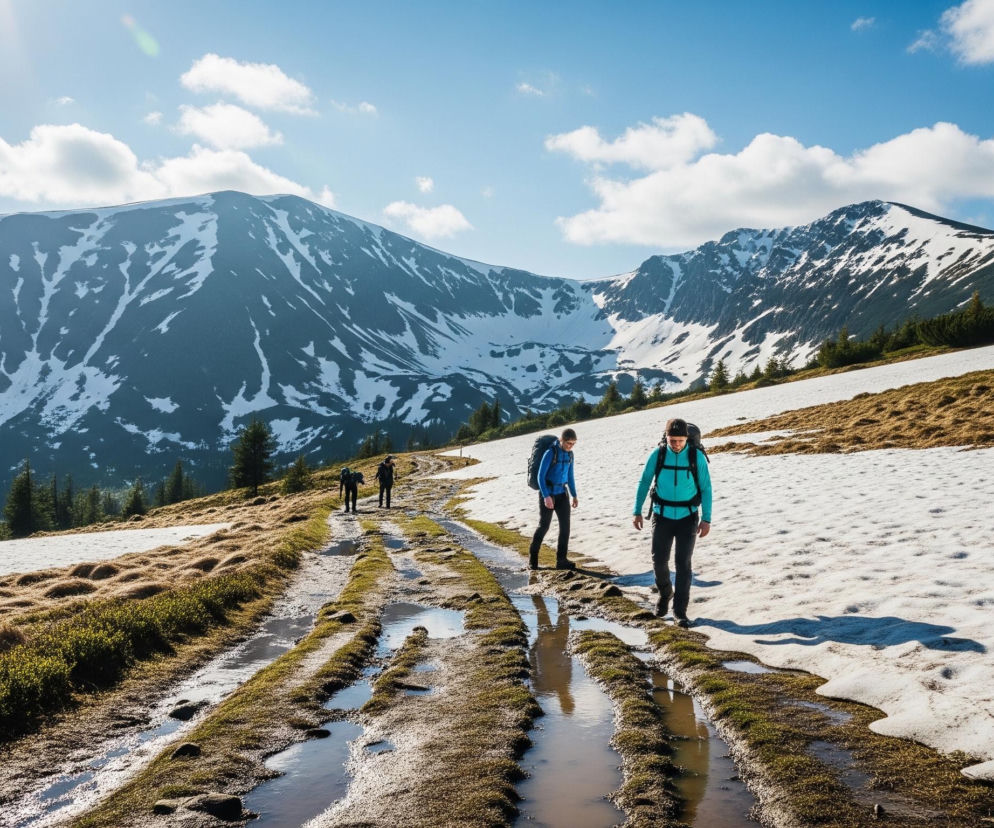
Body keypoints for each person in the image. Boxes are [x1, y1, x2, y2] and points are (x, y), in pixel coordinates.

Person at [632, 418, 712, 627]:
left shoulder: (697, 457)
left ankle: (680, 612)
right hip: (662, 515)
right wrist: (636, 511)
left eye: (680, 440)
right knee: (659, 561)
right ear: (666, 437)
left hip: (688, 517)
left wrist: (706, 519)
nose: (675, 444)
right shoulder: (657, 455)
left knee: (683, 565)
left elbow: (706, 488)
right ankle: (665, 593)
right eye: (672, 440)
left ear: (686, 438)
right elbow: (644, 482)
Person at [528, 428, 579, 570]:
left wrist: (574, 495)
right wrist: (546, 496)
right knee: (544, 526)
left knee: (565, 527)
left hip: (562, 493)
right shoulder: (550, 452)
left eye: (573, 444)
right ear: (562, 440)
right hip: (548, 493)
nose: (571, 446)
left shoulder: (570, 455)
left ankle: (561, 560)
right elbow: (540, 476)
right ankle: (533, 559)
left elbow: (570, 476)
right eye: (569, 443)